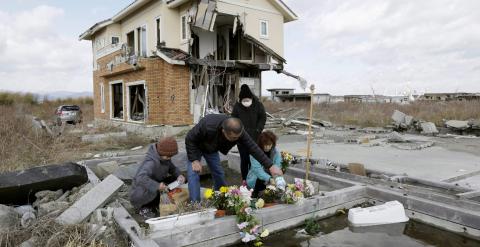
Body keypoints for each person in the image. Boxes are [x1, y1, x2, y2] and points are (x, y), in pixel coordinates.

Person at [185, 114, 283, 202]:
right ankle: (195, 204)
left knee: (218, 172)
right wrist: (194, 160)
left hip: (211, 148)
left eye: (238, 137)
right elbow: (189, 138)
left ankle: (222, 197)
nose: (237, 140)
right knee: (193, 173)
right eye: (233, 138)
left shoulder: (239, 132)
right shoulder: (208, 125)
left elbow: (253, 147)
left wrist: (270, 166)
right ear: (224, 131)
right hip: (195, 147)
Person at [130, 137, 185, 218]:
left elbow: (172, 168)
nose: (169, 158)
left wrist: (179, 175)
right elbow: (140, 178)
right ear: (160, 152)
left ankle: (160, 200)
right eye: (168, 156)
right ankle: (144, 208)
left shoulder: (164, 158)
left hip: (156, 183)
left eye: (171, 156)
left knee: (175, 179)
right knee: (151, 190)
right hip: (141, 191)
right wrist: (157, 186)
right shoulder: (151, 163)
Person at [232, 84, 267, 183]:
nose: (246, 102)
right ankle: (244, 179)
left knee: (254, 160)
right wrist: (237, 131)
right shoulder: (237, 106)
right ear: (240, 100)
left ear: (251, 98)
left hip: (255, 137)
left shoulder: (258, 105)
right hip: (241, 138)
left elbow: (263, 117)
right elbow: (233, 119)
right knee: (244, 160)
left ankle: (254, 179)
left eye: (247, 100)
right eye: (244, 100)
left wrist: (259, 129)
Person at [246, 131, 281, 197]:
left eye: (269, 145)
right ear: (261, 143)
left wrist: (277, 179)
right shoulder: (255, 152)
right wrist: (270, 179)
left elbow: (277, 167)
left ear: (273, 144)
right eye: (265, 145)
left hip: (271, 179)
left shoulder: (276, 153)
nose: (267, 147)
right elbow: (257, 170)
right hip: (255, 179)